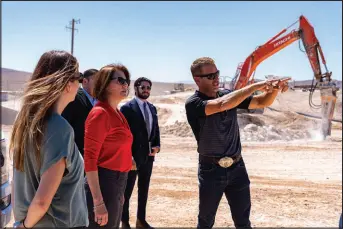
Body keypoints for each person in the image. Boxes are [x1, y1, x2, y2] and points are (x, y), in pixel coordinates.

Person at [185, 57, 289, 229]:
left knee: (243, 222)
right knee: (205, 222)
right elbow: (221, 105)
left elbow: (262, 102)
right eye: (210, 76)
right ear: (197, 80)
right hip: (211, 170)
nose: (216, 78)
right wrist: (255, 86)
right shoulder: (194, 103)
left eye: (217, 74)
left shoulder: (228, 95)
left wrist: (274, 89)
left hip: (237, 167)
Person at [9, 50, 88, 228]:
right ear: (68, 84)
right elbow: (42, 201)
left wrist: (20, 223)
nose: (80, 83)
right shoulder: (59, 128)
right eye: (79, 76)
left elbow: (17, 181)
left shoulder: (23, 121)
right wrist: (24, 226)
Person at [84, 63, 133, 229]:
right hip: (104, 183)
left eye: (127, 81)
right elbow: (90, 160)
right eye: (120, 80)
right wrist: (98, 202)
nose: (125, 84)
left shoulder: (117, 113)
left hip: (117, 183)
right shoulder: (100, 113)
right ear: (104, 84)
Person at [120, 77, 161, 229]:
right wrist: (128, 156)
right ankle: (124, 222)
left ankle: (141, 221)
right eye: (143, 87)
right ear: (136, 88)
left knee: (144, 190)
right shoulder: (127, 108)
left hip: (149, 157)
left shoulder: (152, 108)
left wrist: (157, 145)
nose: (146, 90)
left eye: (148, 88)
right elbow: (124, 135)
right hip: (132, 159)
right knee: (127, 192)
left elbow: (155, 129)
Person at [62, 68, 98, 157]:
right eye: (97, 81)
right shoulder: (74, 98)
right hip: (78, 155)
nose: (100, 85)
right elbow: (65, 126)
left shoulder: (100, 101)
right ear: (85, 81)